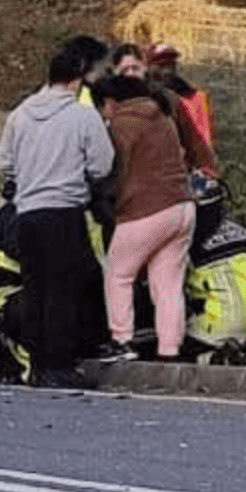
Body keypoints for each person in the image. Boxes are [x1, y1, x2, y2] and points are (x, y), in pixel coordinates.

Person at [0, 46, 115, 387]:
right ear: (76, 81)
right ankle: (60, 365)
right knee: (64, 290)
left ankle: (36, 364)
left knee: (35, 288)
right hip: (65, 211)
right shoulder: (82, 116)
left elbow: (4, 163)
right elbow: (101, 164)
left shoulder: (19, 114)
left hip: (28, 212)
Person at [95, 74, 196, 361]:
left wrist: (106, 201)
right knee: (167, 284)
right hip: (182, 206)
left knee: (118, 274)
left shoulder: (121, 124)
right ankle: (169, 349)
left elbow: (114, 169)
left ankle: (121, 340)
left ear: (110, 103)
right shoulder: (162, 116)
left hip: (145, 209)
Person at [147, 43, 214, 163]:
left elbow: (203, 145)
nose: (167, 70)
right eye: (161, 65)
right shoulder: (141, 99)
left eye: (171, 65)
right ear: (148, 67)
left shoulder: (193, 99)